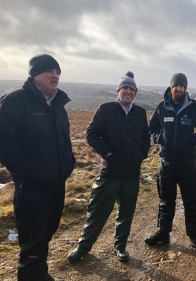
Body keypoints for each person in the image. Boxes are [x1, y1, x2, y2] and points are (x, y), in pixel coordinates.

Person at [0, 54, 75, 281]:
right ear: (35, 74)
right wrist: (25, 171)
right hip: (32, 188)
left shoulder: (57, 106)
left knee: (45, 235)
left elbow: (64, 141)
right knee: (33, 243)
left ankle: (39, 275)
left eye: (58, 72)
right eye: (50, 71)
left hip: (56, 184)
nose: (55, 75)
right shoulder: (16, 101)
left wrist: (68, 164)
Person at [67, 71, 150, 263]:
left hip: (132, 174)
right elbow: (92, 134)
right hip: (110, 173)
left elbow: (145, 138)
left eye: (131, 89)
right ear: (119, 90)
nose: (128, 92)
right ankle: (83, 246)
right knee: (97, 212)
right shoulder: (105, 109)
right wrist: (108, 154)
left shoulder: (140, 113)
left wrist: (142, 155)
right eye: (125, 88)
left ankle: (120, 247)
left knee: (126, 213)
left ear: (135, 93)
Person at [144, 73, 196, 252]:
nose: (178, 89)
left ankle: (194, 235)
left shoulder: (194, 107)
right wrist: (160, 138)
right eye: (176, 86)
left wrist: (192, 140)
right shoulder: (162, 107)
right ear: (171, 87)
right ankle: (163, 232)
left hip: (188, 162)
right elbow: (152, 128)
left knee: (190, 201)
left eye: (182, 86)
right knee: (166, 200)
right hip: (167, 162)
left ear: (185, 88)